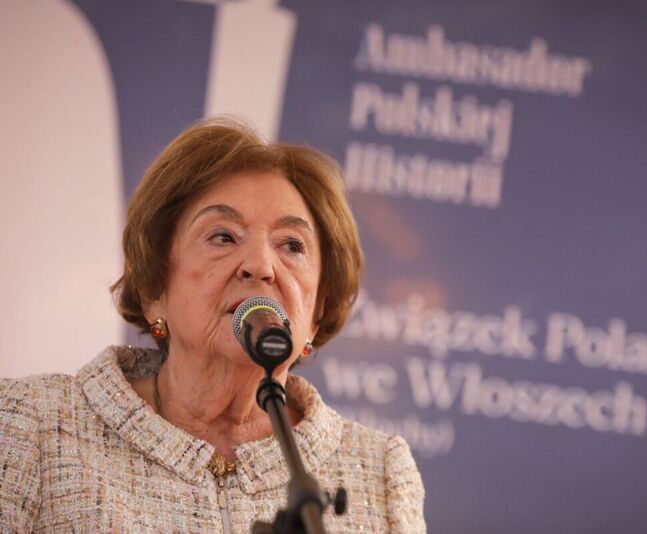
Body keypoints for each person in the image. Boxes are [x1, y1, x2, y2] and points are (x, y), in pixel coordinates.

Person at [0, 118, 426, 533]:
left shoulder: (379, 474)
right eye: (223, 236)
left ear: (317, 312)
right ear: (154, 289)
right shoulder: (31, 428)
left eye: (292, 245)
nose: (261, 266)